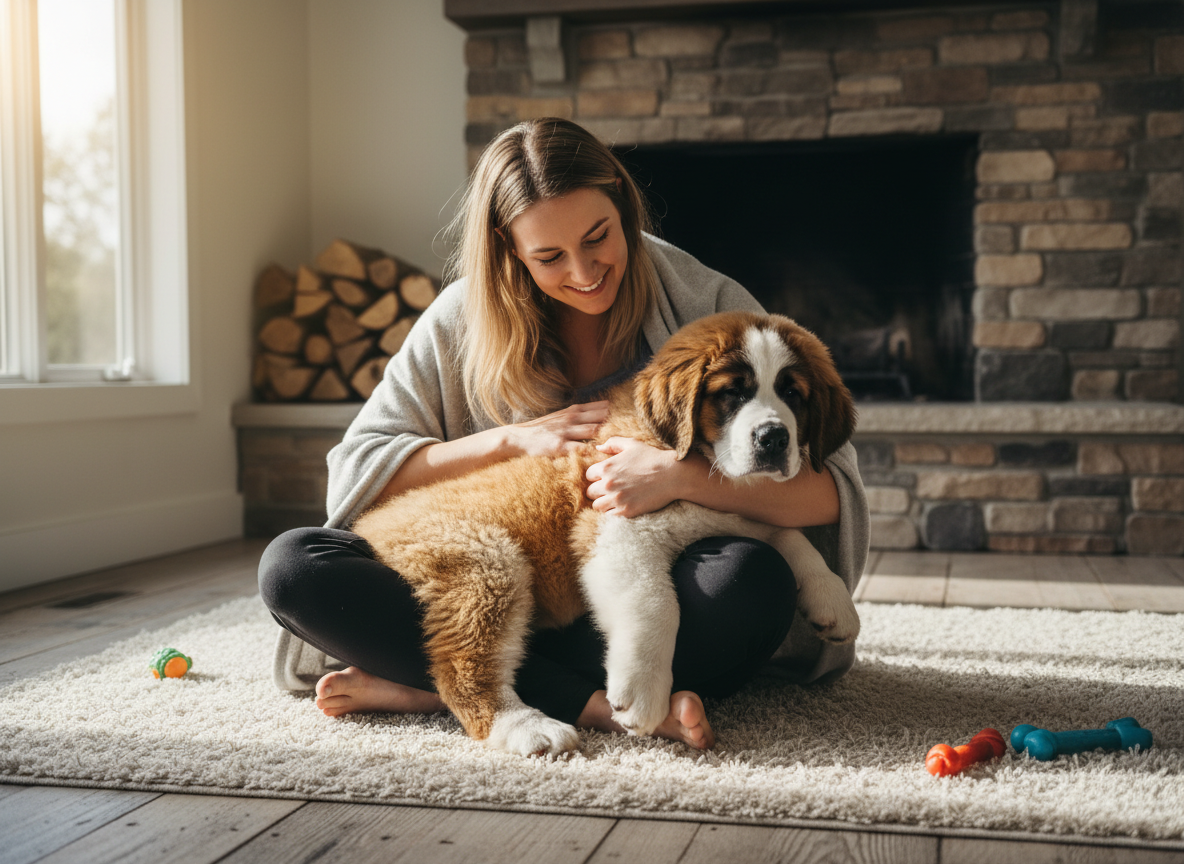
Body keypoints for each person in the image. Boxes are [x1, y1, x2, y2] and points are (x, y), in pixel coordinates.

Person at [258, 117, 869, 751]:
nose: (584, 270)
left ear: (622, 203)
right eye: (549, 256)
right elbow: (360, 469)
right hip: (493, 577)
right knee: (293, 568)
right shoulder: (459, 318)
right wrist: (509, 441)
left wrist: (676, 476)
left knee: (751, 585)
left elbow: (830, 491)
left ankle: (426, 677)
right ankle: (573, 700)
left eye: (598, 236)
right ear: (508, 246)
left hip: (629, 596)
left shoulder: (705, 301)